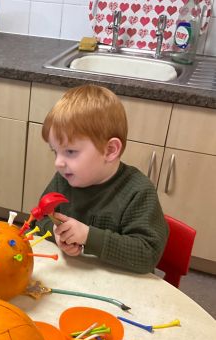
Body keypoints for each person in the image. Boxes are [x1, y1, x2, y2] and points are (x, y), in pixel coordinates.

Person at [36, 84, 168, 274]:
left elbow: (147, 254)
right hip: (75, 275)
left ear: (110, 150)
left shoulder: (138, 191)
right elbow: (39, 220)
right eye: (55, 152)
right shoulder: (63, 179)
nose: (58, 163)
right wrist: (57, 233)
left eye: (70, 152)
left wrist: (88, 236)